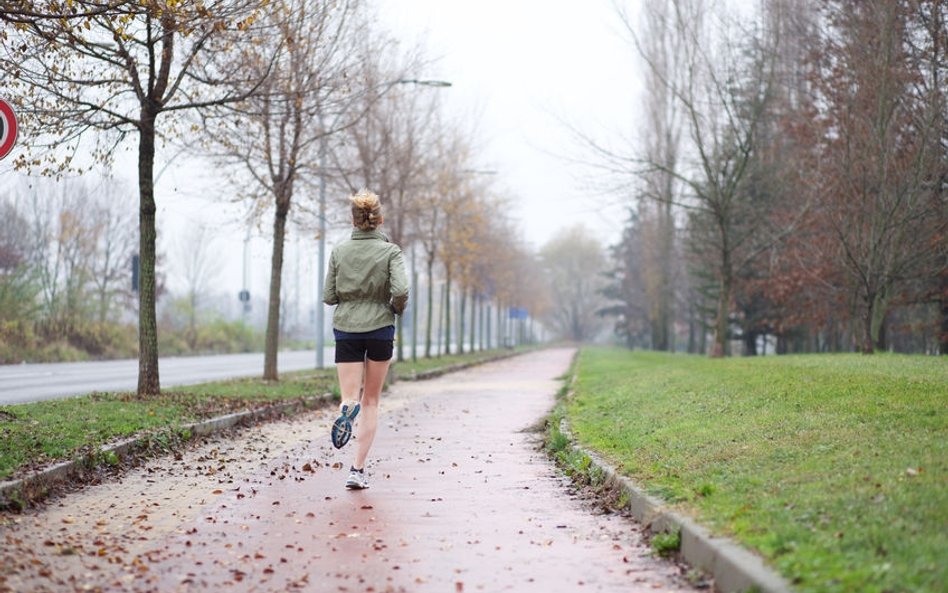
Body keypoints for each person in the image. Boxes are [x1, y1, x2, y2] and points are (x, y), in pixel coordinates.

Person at [323, 189, 408, 490]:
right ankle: (356, 470)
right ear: (379, 219)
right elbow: (400, 290)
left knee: (351, 397)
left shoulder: (339, 251)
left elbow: (329, 296)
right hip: (380, 329)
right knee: (371, 401)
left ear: (354, 220)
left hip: (346, 328)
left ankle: (347, 407)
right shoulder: (391, 252)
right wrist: (393, 309)